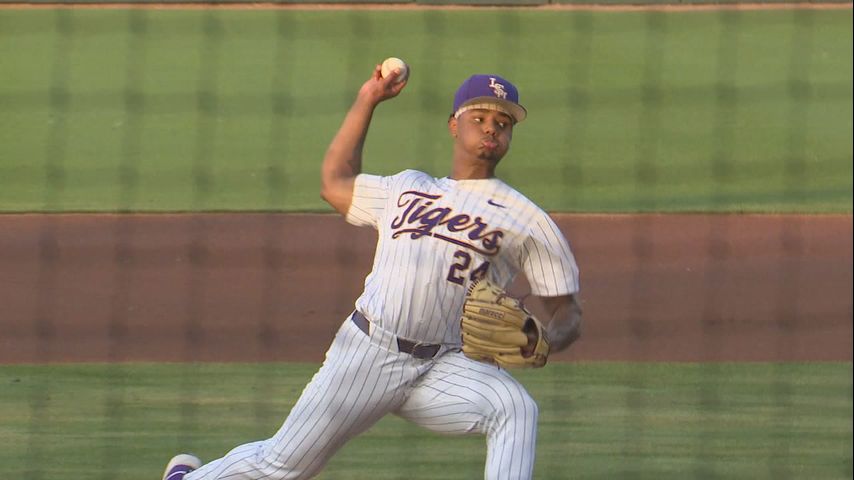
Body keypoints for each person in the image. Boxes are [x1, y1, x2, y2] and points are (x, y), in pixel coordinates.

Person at [162, 64, 582, 480]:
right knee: (284, 466)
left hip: (444, 366)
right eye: (480, 117)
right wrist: (369, 99)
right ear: (454, 125)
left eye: (503, 123)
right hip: (368, 353)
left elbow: (567, 310)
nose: (491, 128)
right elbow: (334, 182)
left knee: (515, 408)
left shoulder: (527, 219)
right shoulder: (407, 187)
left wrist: (545, 339)